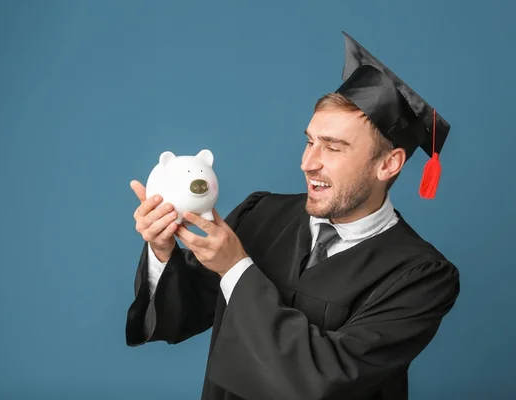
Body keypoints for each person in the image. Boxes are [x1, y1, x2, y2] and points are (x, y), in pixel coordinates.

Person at [125, 31, 460, 400]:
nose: (307, 163)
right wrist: (161, 249)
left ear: (388, 164)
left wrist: (236, 268)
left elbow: (326, 380)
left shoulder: (420, 275)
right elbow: (180, 319)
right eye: (310, 141)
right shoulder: (262, 213)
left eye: (333, 148)